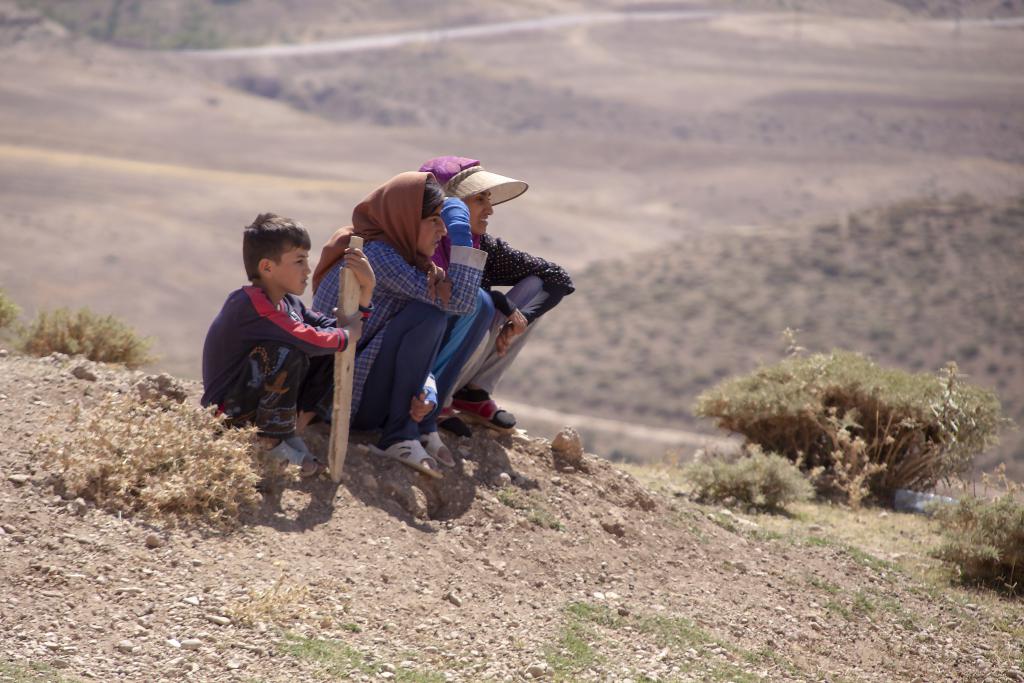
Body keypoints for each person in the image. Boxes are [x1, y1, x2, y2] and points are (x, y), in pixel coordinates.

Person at [312, 172, 485, 477]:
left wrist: (427, 390)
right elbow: (460, 302)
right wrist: (462, 236)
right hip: (339, 401)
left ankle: (419, 423)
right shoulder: (379, 256)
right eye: (434, 220)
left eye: (443, 222)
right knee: (430, 315)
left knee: (469, 306)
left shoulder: (406, 258)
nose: (442, 230)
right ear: (405, 219)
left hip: (366, 391)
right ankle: (400, 436)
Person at [201, 213, 375, 476]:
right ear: (267, 267)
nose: (307, 269)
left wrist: (365, 295)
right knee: (287, 351)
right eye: (299, 261)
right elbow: (309, 337)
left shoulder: (289, 304)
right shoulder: (250, 305)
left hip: (258, 407)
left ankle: (286, 431)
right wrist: (347, 333)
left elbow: (329, 330)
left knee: (333, 349)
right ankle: (266, 443)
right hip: (228, 414)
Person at [418, 156, 574, 432]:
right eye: (480, 200)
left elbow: (557, 278)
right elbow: (453, 300)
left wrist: (518, 320)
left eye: (488, 200)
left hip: (464, 355)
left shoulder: (486, 247)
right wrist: (500, 302)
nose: (490, 210)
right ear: (446, 205)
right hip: (423, 365)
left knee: (535, 286)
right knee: (480, 306)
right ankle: (438, 400)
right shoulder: (417, 244)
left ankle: (473, 393)